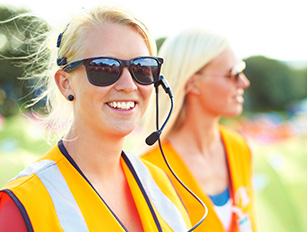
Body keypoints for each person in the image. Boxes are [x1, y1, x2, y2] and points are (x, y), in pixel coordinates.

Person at [0, 5, 191, 232]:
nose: (129, 85)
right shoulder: (22, 205)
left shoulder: (159, 184)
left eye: (142, 68)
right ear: (65, 83)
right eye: (105, 68)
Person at [140, 27, 256, 231]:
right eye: (233, 74)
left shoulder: (240, 147)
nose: (244, 82)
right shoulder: (151, 169)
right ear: (193, 83)